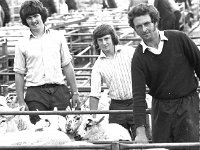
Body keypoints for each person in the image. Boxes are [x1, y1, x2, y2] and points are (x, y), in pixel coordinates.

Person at [128, 3, 200, 147]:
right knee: (162, 148)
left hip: (187, 105)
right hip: (161, 110)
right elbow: (138, 96)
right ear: (134, 29)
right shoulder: (138, 58)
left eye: (147, 23)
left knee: (190, 147)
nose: (144, 29)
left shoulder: (179, 39)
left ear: (155, 21)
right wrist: (140, 132)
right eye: (138, 26)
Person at [14, 0, 80, 124]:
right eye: (29, 18)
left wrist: (75, 92)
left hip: (59, 91)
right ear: (25, 20)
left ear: (42, 15)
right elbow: (19, 73)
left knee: (65, 128)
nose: (33, 21)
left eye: (35, 16)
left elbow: (67, 65)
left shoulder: (58, 37)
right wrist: (21, 101)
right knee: (39, 132)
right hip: (35, 94)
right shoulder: (21, 44)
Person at [89, 23, 136, 140]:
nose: (104, 43)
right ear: (96, 43)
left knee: (142, 140)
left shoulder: (129, 52)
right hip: (116, 107)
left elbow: (146, 70)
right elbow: (95, 94)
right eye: (100, 40)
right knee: (117, 142)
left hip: (136, 103)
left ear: (113, 38)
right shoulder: (98, 65)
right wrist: (93, 117)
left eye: (106, 39)